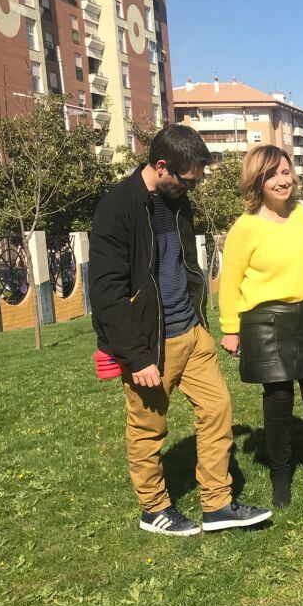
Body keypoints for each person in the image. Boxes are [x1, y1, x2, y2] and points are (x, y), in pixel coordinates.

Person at [89, 124, 272, 535]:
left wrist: (200, 319)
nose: (194, 186)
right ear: (161, 167)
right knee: (148, 429)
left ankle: (217, 503)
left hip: (191, 331)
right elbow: (105, 292)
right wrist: (135, 356)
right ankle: (153, 509)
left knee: (218, 409)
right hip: (151, 343)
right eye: (189, 179)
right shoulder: (117, 207)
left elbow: (182, 264)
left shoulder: (177, 202)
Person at [218, 145, 303, 509]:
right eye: (273, 175)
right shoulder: (244, 228)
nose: (283, 180)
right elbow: (229, 282)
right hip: (266, 322)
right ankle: (281, 474)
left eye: (286, 172)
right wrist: (230, 328)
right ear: (258, 182)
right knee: (278, 399)